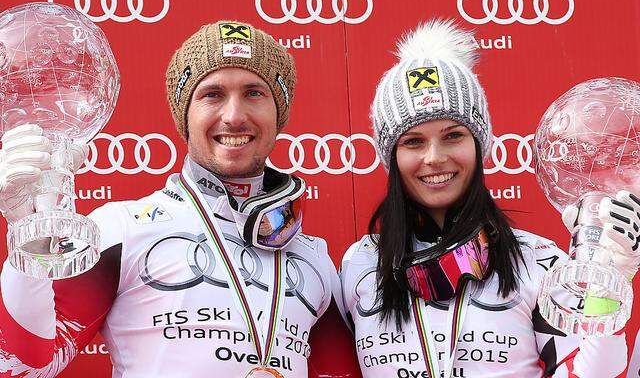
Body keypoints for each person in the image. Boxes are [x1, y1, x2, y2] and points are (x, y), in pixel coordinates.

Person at [0, 20, 338, 378]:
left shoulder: (313, 257)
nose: (235, 116)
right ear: (184, 115)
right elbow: (22, 368)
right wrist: (28, 243)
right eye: (212, 94)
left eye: (254, 93)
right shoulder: (122, 229)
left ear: (278, 112)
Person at [339, 19, 640, 378]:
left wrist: (609, 277)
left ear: (480, 146)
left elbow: (595, 372)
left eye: (453, 136)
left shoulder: (537, 261)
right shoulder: (358, 265)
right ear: (391, 156)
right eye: (413, 141)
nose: (434, 157)